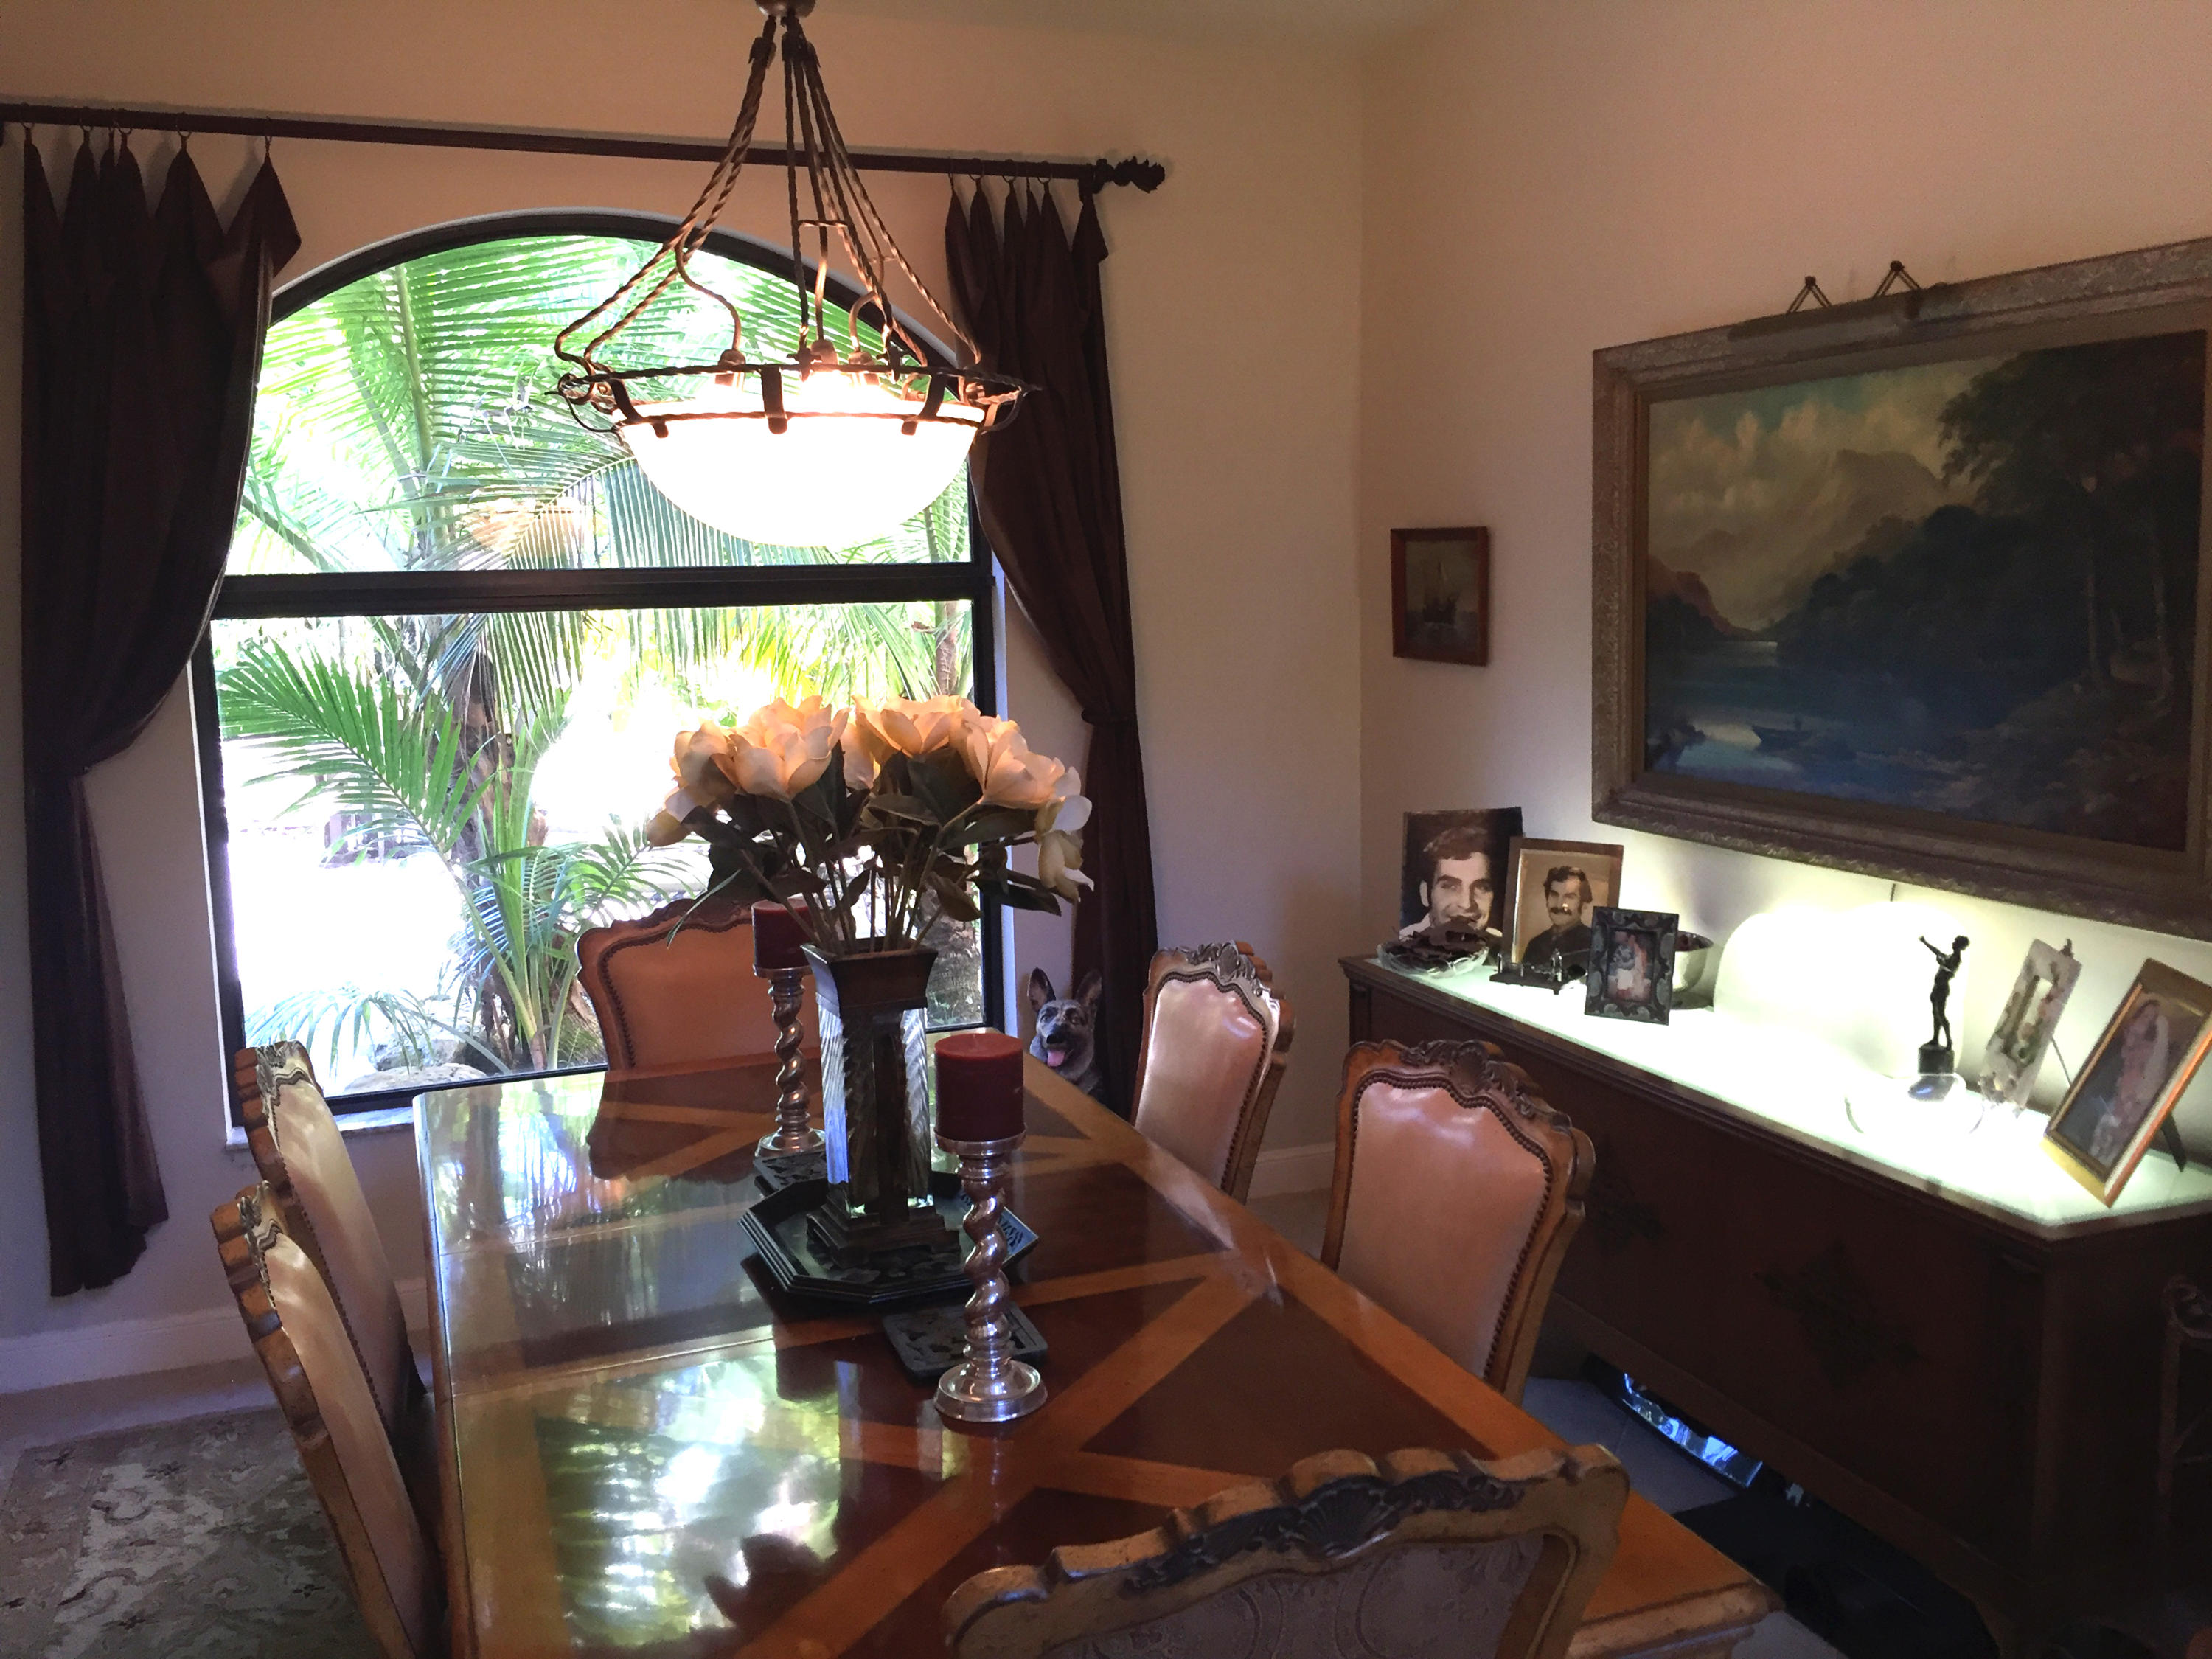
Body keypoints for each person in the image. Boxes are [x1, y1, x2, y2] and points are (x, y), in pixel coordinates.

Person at [2082, 998, 2174, 1168]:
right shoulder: (2118, 1041)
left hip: (2121, 1112)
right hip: (2105, 1105)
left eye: (2150, 1020)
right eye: (2144, 1016)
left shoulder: (2148, 1052)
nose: (2145, 1022)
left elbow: (2158, 1060)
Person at [1398, 824, 1500, 940]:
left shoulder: (1505, 945)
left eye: (1481, 888)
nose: (1466, 904)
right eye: (1451, 887)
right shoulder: (1399, 946)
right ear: (1425, 893)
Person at [1522, 866, 1594, 972]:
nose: (1560, 904)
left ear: (1584, 905)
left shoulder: (1592, 945)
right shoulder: (1535, 945)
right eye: (1554, 895)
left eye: (1569, 897)